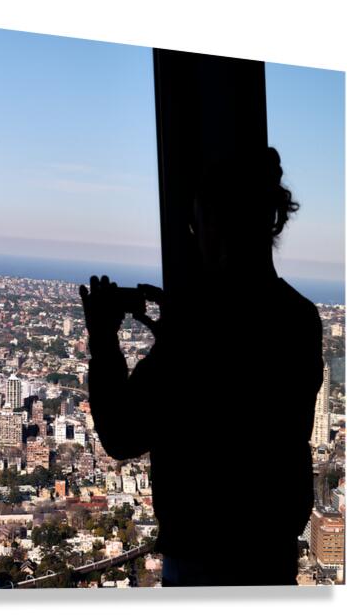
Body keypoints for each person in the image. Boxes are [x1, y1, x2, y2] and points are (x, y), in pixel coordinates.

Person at [79, 147, 324, 586]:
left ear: (216, 225)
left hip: (203, 561)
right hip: (272, 556)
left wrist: (104, 341)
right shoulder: (299, 317)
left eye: (197, 223)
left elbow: (122, 434)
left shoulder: (197, 327)